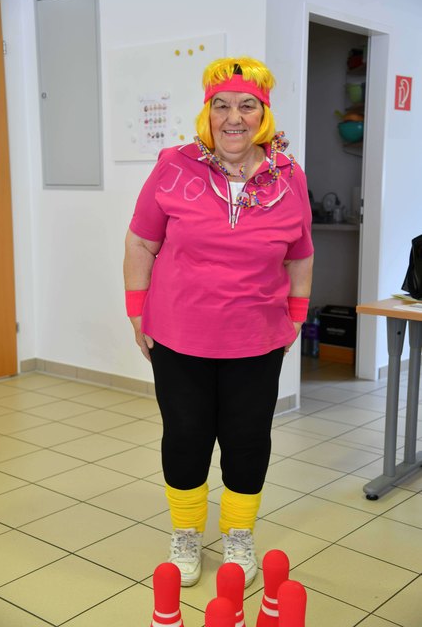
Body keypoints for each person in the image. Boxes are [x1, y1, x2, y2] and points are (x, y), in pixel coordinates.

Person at [123, 56, 313, 588]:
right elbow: (140, 243)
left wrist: (297, 316)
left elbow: (300, 254)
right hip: (178, 335)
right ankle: (186, 534)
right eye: (222, 105)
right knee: (185, 436)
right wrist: (137, 311)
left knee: (248, 440)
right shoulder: (174, 165)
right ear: (207, 112)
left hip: (257, 337)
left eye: (247, 106)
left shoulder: (288, 176)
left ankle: (238, 535)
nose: (234, 117)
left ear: (264, 115)